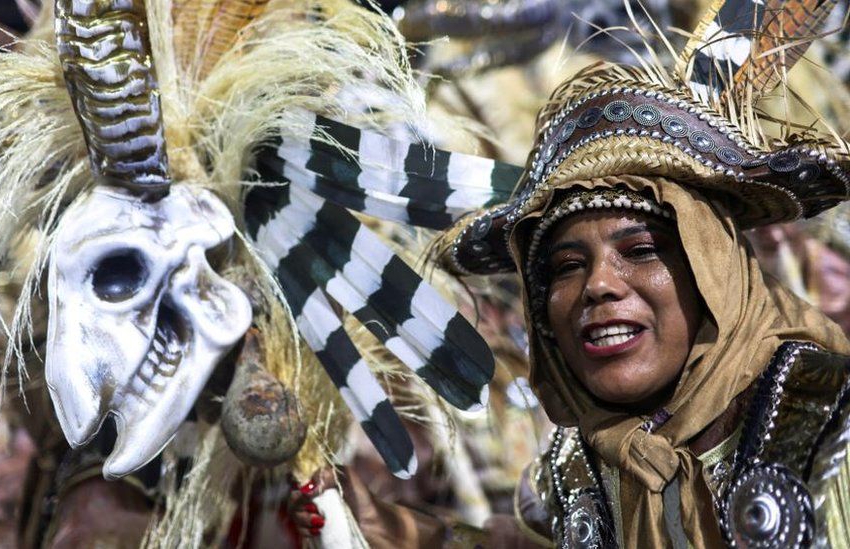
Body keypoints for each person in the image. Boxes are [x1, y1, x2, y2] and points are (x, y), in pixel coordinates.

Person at [288, 0, 850, 545]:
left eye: (641, 250)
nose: (598, 285)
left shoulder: (829, 427)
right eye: (566, 267)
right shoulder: (577, 474)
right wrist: (387, 528)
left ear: (717, 272)